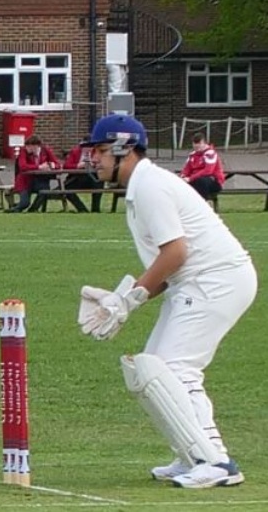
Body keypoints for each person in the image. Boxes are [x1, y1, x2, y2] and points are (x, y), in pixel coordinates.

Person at [76, 114, 255, 489]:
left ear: (125, 149)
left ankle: (215, 460)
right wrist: (121, 298)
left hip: (215, 281)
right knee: (149, 371)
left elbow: (176, 252)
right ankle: (192, 453)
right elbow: (170, 263)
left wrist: (132, 300)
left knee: (176, 370)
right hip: (197, 282)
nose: (94, 159)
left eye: (101, 151)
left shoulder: (151, 186)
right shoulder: (142, 186)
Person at [6, 135, 60, 213]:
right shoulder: (23, 152)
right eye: (27, 146)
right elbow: (23, 166)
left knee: (44, 190)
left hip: (40, 180)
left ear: (36, 146)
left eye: (29, 146)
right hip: (25, 181)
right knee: (25, 203)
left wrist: (51, 165)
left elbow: (57, 164)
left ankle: (33, 210)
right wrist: (39, 167)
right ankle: (14, 210)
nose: (27, 148)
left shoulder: (45, 151)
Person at [179, 132, 225, 202]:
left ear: (204, 143)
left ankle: (202, 205)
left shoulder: (210, 153)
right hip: (196, 180)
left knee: (201, 181)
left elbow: (208, 171)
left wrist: (190, 178)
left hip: (213, 182)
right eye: (195, 144)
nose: (197, 146)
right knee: (180, 183)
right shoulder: (192, 155)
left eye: (199, 143)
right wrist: (182, 177)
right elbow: (186, 169)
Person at [62, 135, 102, 212]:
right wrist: (78, 165)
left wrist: (95, 165)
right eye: (86, 146)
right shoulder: (75, 152)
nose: (88, 149)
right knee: (67, 189)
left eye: (91, 147)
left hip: (92, 178)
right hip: (77, 178)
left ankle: (96, 209)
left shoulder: (97, 152)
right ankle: (82, 209)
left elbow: (103, 165)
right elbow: (66, 166)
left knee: (99, 184)